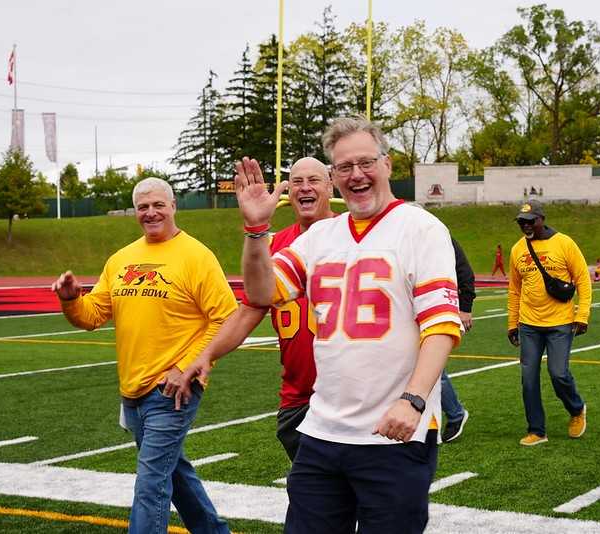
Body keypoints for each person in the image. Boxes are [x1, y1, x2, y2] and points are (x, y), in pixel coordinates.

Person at [236, 116, 461, 533]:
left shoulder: (421, 228)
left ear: (388, 165)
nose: (356, 174)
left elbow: (441, 325)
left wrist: (412, 401)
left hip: (394, 434)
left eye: (365, 163)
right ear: (334, 176)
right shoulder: (322, 236)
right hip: (323, 431)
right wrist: (255, 230)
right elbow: (263, 291)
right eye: (344, 167)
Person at [51, 177, 236, 534]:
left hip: (173, 390)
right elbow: (91, 316)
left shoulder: (197, 256)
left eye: (158, 205)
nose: (150, 213)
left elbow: (226, 318)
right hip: (132, 392)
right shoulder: (122, 259)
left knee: (150, 485)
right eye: (143, 207)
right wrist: (71, 298)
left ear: (173, 206)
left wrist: (186, 367)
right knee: (174, 474)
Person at [174, 156, 335, 461]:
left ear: (331, 185)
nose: (304, 188)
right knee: (313, 502)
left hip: (346, 398)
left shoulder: (353, 237)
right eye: (296, 181)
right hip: (297, 398)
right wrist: (207, 354)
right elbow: (250, 309)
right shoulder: (276, 244)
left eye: (313, 180)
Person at [507, 199, 592, 447]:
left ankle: (576, 409)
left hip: (560, 322)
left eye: (530, 220)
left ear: (542, 219)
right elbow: (514, 290)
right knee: (528, 378)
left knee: (558, 373)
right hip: (529, 324)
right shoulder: (517, 250)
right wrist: (512, 323)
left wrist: (582, 315)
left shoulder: (564, 243)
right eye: (522, 222)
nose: (526, 226)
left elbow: (583, 281)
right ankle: (537, 430)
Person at [441, 238, 475, 443]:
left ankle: (455, 413)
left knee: (433, 369)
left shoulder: (437, 234)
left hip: (439, 308)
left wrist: (465, 308)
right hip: (410, 310)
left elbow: (465, 272)